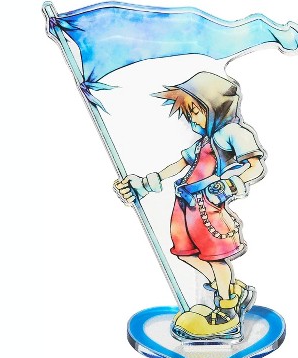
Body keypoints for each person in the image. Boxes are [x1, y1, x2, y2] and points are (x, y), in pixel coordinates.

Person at [114, 72, 266, 341]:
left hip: (208, 207)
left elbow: (255, 166)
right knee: (185, 253)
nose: (192, 119)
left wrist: (230, 184)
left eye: (195, 111)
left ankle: (227, 313)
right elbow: (180, 165)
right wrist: (147, 182)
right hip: (185, 206)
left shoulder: (233, 133)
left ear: (216, 106)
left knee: (215, 257)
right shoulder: (203, 143)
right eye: (189, 113)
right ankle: (231, 290)